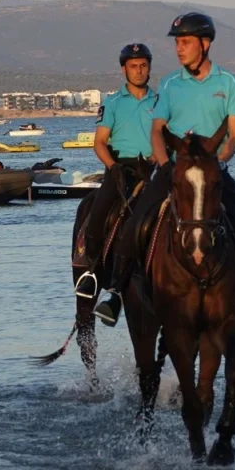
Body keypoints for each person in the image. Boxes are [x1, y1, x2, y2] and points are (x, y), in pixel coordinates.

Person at [95, 13, 235, 326]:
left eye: (185, 42)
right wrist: (165, 165)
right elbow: (157, 130)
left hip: (212, 172)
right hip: (174, 171)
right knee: (134, 224)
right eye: (177, 42)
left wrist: (221, 161)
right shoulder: (168, 84)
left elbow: (234, 134)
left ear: (205, 44)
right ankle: (114, 292)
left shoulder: (228, 82)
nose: (179, 49)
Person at [76, 43, 157, 309]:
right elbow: (100, 142)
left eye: (143, 65)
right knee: (97, 214)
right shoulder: (112, 103)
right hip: (119, 167)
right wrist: (112, 166)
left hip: (153, 166)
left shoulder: (159, 102)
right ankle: (92, 272)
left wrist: (157, 159)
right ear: (124, 69)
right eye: (133, 66)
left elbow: (166, 137)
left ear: (149, 68)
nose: (139, 70)